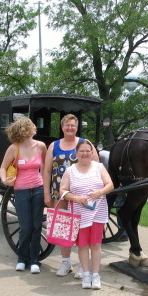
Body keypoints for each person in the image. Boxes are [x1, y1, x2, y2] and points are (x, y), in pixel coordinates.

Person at [43, 114, 99, 278]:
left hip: (81, 195)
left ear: (77, 127)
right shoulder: (54, 146)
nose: (70, 128)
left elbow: (97, 167)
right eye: (67, 125)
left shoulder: (85, 144)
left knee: (83, 229)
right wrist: (46, 193)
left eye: (73, 126)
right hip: (59, 194)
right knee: (63, 228)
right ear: (62, 127)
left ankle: (83, 265)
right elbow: (46, 171)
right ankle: (66, 262)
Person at [59, 139, 114, 289]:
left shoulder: (99, 167)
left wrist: (100, 192)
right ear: (76, 153)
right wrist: (75, 198)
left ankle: (96, 275)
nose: (84, 154)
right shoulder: (70, 170)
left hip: (97, 212)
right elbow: (62, 191)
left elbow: (110, 184)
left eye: (87, 151)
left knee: (96, 245)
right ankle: (86, 274)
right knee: (82, 245)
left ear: (92, 153)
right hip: (79, 214)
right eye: (81, 151)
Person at [0, 117, 47, 274]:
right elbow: (3, 167)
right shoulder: (14, 148)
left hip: (38, 189)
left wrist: (47, 189)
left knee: (36, 226)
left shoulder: (41, 146)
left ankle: (34, 260)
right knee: (25, 227)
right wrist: (4, 180)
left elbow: (45, 169)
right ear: (26, 129)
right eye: (33, 126)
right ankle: (21, 258)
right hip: (21, 190)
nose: (35, 128)